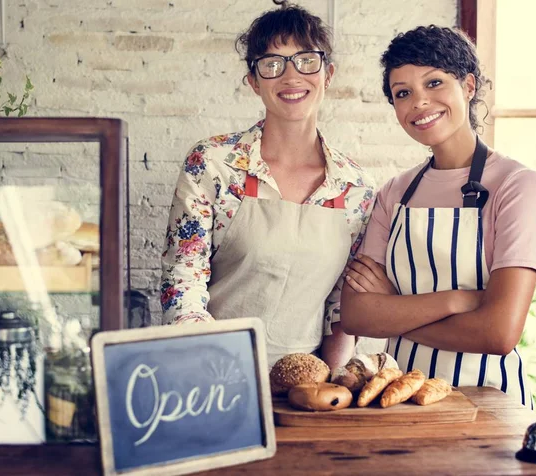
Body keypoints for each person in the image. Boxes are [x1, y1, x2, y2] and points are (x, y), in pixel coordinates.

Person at [160, 0, 376, 369]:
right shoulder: (214, 165)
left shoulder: (356, 188)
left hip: (306, 384)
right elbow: (183, 281)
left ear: (328, 74)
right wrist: (214, 370)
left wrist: (334, 382)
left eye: (306, 60)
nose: (291, 77)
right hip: (209, 370)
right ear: (254, 82)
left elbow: (340, 308)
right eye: (272, 64)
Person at [340, 25, 536, 407]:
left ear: (468, 86)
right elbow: (357, 315)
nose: (419, 102)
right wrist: (457, 300)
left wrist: (395, 308)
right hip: (401, 398)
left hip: (489, 402)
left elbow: (498, 334)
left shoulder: (517, 185)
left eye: (434, 83)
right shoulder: (395, 192)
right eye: (403, 93)